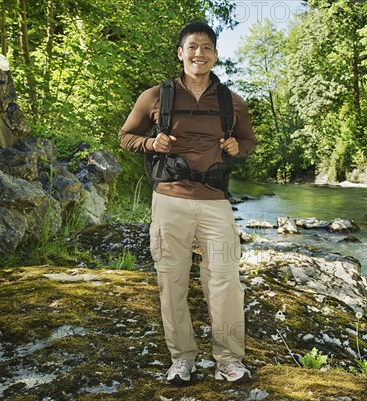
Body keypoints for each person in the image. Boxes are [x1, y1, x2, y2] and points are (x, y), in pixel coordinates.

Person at [118, 21, 256, 385]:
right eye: (192, 47)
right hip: (169, 201)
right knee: (172, 281)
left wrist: (236, 148)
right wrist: (151, 144)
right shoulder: (155, 96)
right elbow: (126, 136)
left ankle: (229, 359)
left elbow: (248, 142)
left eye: (207, 47)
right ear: (181, 53)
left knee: (225, 281)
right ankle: (182, 359)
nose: (200, 53)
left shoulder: (232, 101)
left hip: (215, 202)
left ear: (215, 55)